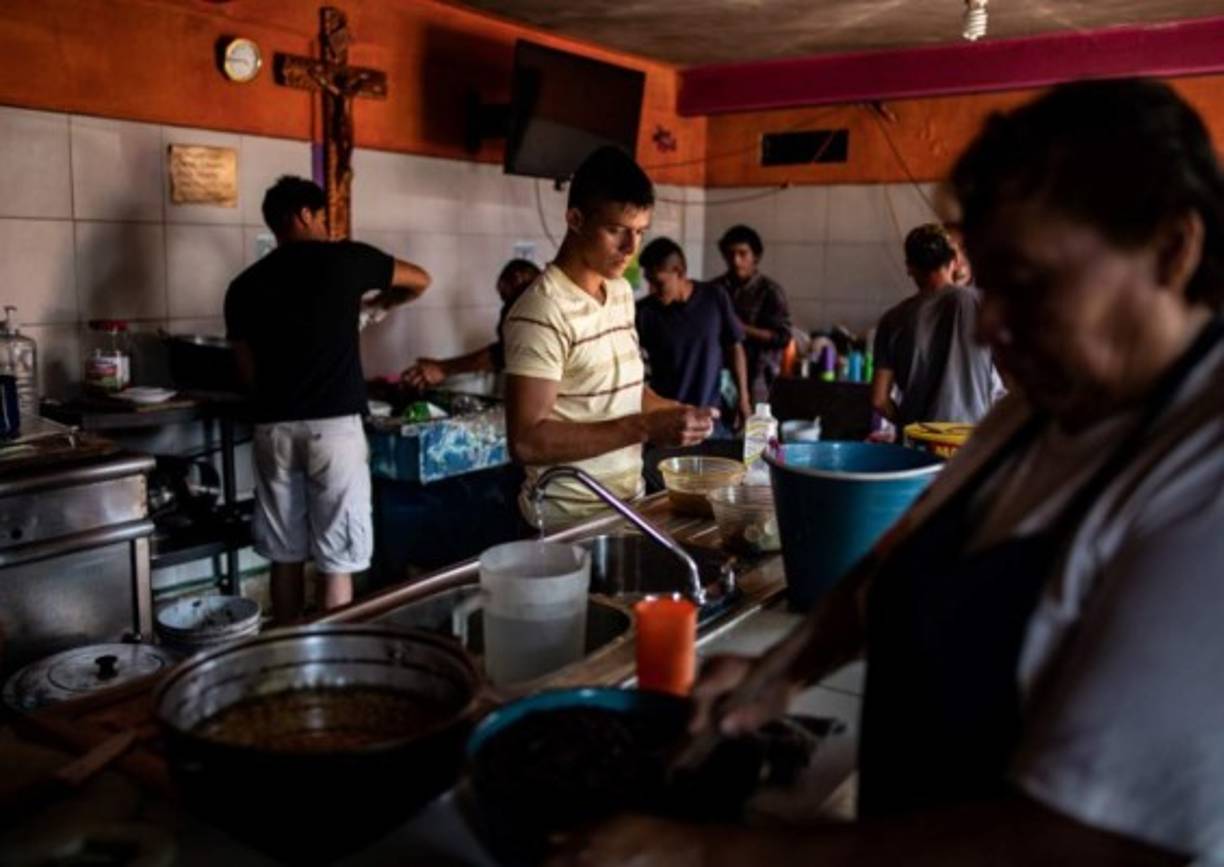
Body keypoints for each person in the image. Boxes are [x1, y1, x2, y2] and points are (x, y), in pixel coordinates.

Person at [554, 78, 1224, 865]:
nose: (992, 326)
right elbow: (899, 559)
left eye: (1031, 283)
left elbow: (1079, 841)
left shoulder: (1200, 470)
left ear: (1172, 250)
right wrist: (780, 672)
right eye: (989, 282)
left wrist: (707, 854)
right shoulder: (1034, 413)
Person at [225, 176, 431, 623]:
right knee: (337, 559)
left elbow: (247, 374)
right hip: (334, 430)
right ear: (305, 215)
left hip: (273, 429)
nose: (326, 226)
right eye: (322, 217)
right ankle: (333, 654)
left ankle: (286, 654)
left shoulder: (242, 287)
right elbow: (420, 280)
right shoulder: (346, 260)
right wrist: (379, 305)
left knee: (285, 554)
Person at [503, 146, 717, 529]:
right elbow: (526, 441)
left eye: (639, 232)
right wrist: (647, 428)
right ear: (575, 219)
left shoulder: (618, 292)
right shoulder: (542, 310)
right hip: (565, 523)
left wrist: (677, 415)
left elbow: (625, 393)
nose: (631, 249)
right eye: (616, 230)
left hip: (626, 505)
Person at [870, 223, 997, 426]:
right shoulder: (982, 305)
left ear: (910, 268)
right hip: (969, 444)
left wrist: (909, 427)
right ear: (954, 262)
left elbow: (879, 400)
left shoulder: (891, 320)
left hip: (915, 447)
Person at [636, 237, 751, 435]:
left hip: (711, 420)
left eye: (658, 283)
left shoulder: (714, 297)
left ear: (679, 272)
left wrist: (743, 398)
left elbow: (735, 347)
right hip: (667, 424)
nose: (652, 290)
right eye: (648, 281)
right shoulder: (644, 312)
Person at [401, 259, 540, 389]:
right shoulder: (530, 301)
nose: (504, 304)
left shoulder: (533, 305)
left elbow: (504, 353)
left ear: (517, 278)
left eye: (504, 295)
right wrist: (441, 367)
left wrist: (443, 368)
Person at [711, 224, 793, 403]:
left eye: (742, 254)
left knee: (754, 427)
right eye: (730, 254)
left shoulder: (770, 291)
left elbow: (783, 337)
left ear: (755, 256)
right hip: (719, 374)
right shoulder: (715, 289)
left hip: (759, 377)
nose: (736, 260)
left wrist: (742, 328)